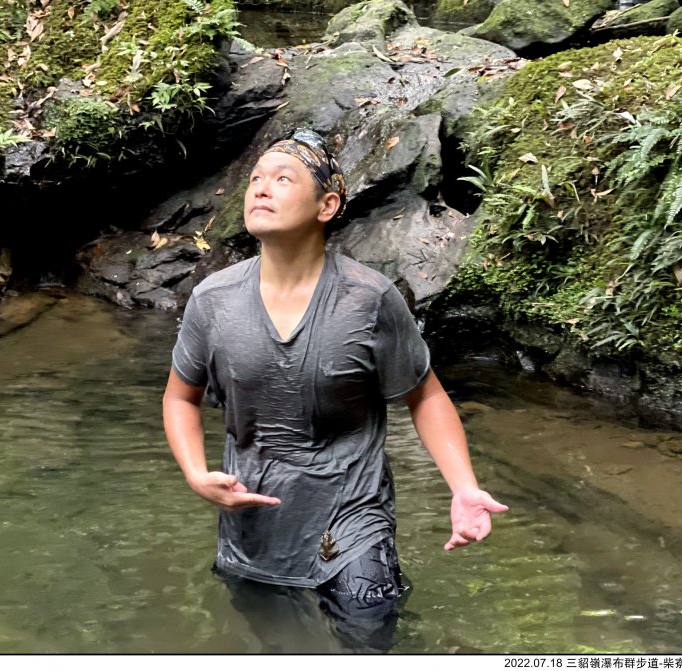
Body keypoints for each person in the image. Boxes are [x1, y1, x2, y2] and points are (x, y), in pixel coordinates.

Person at [162, 128, 508, 651]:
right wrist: (194, 474)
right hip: (255, 519)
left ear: (327, 204)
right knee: (282, 648)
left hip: (354, 513)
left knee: (370, 639)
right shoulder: (213, 300)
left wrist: (463, 488)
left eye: (283, 178)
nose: (261, 188)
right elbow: (180, 397)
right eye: (256, 178)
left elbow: (425, 394)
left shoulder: (368, 298)